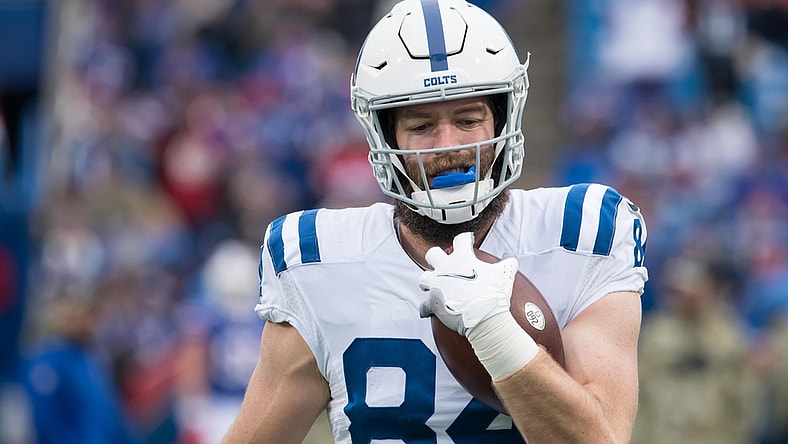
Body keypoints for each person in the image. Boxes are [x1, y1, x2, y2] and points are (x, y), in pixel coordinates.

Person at [222, 0, 648, 442]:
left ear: (502, 122)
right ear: (385, 137)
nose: (448, 146)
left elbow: (600, 438)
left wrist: (494, 331)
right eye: (422, 125)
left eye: (468, 119)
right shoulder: (317, 263)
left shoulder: (581, 234)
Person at [631, 256, 760, 444]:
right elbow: (639, 392)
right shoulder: (656, 333)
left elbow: (745, 396)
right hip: (663, 436)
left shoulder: (728, 334)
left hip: (714, 436)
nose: (687, 298)